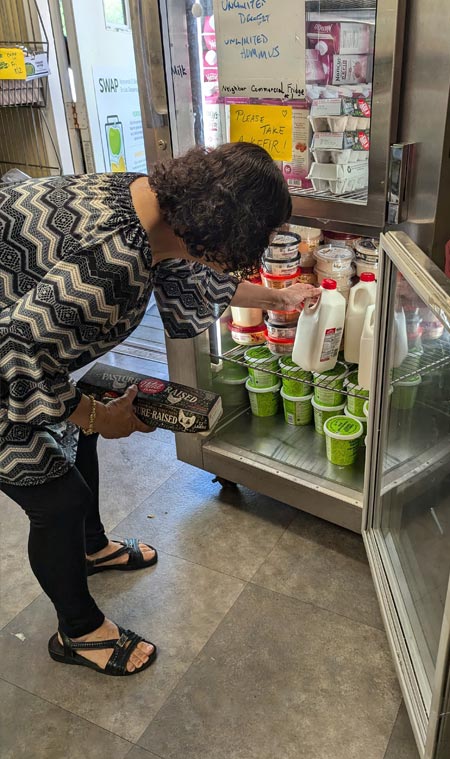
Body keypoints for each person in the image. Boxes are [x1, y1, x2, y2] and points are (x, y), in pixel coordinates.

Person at [0, 143, 321, 677]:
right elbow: (19, 355)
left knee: (75, 437)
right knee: (54, 499)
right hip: (9, 354)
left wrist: (281, 300)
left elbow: (195, 273)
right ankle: (78, 632)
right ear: (223, 231)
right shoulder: (115, 260)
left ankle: (91, 549)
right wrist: (101, 417)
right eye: (252, 241)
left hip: (16, 325)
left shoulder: (155, 202)